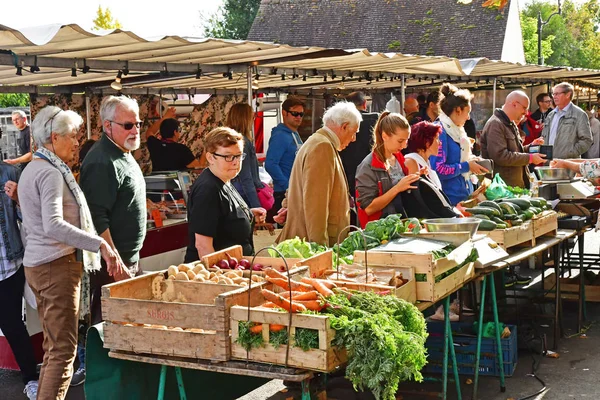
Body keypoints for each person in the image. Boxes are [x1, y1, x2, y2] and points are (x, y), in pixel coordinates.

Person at [18, 106, 122, 400]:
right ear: (54, 137)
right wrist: (98, 243)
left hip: (43, 265)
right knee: (63, 352)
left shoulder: (34, 168)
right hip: (55, 265)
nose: (78, 142)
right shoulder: (50, 173)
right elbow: (53, 225)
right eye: (72, 136)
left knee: (55, 349)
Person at [80, 95, 147, 325]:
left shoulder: (122, 153)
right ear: (107, 126)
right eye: (128, 125)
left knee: (127, 326)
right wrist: (114, 260)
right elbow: (96, 218)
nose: (135, 130)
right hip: (112, 264)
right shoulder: (101, 160)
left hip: (127, 259)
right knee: (109, 328)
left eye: (138, 124)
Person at [279, 102, 362, 246]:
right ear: (344, 127)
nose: (354, 139)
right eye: (354, 132)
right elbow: (316, 207)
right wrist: (320, 249)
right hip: (313, 243)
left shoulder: (319, 142)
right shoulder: (322, 146)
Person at [184, 127, 266, 261]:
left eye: (239, 156)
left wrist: (248, 214)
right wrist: (218, 278)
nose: (235, 161)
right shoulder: (208, 189)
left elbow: (223, 216)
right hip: (220, 274)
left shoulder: (225, 179)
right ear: (210, 157)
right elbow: (203, 246)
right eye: (227, 156)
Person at [0, 164, 39, 400]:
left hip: (8, 263)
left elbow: (30, 218)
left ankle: (30, 378)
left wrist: (18, 200)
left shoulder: (10, 174)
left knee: (12, 325)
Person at [355, 112, 421, 227]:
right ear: (385, 136)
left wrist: (415, 177)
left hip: (399, 227)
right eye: (400, 141)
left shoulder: (398, 157)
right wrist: (397, 188)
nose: (405, 146)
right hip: (378, 233)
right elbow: (368, 209)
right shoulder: (367, 166)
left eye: (406, 140)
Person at [431, 83, 488, 206]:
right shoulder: (440, 132)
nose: (468, 118)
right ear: (458, 110)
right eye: (468, 112)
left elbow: (461, 159)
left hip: (464, 195)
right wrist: (467, 166)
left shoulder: (457, 131)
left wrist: (472, 161)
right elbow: (438, 169)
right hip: (449, 201)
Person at [480, 91, 546, 188]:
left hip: (513, 187)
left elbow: (515, 151)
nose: (526, 112)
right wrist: (530, 158)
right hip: (502, 190)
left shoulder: (510, 123)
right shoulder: (495, 124)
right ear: (514, 104)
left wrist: (531, 147)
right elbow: (501, 156)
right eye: (524, 108)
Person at [339, 91, 379, 225]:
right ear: (365, 104)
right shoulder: (375, 120)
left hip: (347, 178)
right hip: (374, 177)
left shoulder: (341, 126)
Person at [265, 97, 305, 216]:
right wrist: (287, 186)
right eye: (294, 114)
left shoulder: (294, 133)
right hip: (285, 193)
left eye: (301, 114)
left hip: (295, 190)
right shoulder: (280, 136)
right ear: (284, 113)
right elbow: (270, 164)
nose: (298, 117)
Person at [227, 103, 270, 209]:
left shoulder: (228, 140)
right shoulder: (242, 142)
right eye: (252, 116)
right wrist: (256, 205)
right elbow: (246, 176)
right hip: (244, 194)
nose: (253, 119)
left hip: (233, 191)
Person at [541, 82, 592, 159]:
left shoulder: (579, 114)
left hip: (568, 163)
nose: (554, 97)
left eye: (557, 94)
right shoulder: (551, 115)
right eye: (553, 94)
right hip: (549, 162)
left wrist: (570, 153)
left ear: (568, 94)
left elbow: (587, 140)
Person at [405, 121, 443, 188]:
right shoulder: (411, 162)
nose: (440, 143)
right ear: (427, 143)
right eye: (437, 138)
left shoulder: (425, 163)